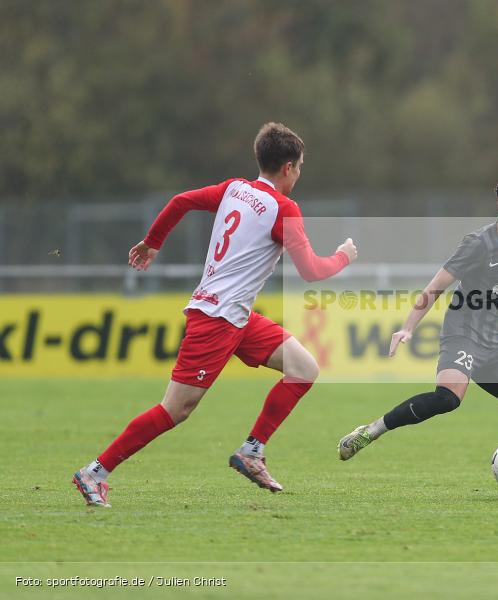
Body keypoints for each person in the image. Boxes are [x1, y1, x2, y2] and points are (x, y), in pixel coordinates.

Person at [72, 122, 358, 507]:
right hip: (217, 321)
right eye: (300, 167)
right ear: (288, 168)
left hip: (236, 316)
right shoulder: (283, 208)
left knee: (304, 368)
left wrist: (153, 242)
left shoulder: (233, 189)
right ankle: (95, 472)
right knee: (175, 409)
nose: (299, 175)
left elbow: (180, 201)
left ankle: (251, 451)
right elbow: (311, 270)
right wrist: (344, 256)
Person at [336, 169, 498, 496]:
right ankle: (372, 430)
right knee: (448, 399)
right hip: (462, 336)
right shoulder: (478, 244)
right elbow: (436, 286)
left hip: (493, 345)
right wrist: (407, 327)